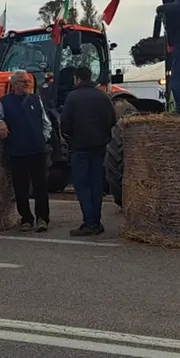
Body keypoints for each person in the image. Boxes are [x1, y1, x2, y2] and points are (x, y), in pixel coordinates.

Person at [61, 65, 117, 236]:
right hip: (99, 147)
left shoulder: (73, 97)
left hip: (80, 148)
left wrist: (70, 140)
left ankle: (89, 223)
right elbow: (113, 120)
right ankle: (96, 222)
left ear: (77, 78)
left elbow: (65, 124)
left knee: (82, 186)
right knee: (96, 184)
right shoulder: (103, 96)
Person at [0, 70, 52, 232]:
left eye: (28, 81)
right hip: (16, 152)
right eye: (22, 81)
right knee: (20, 188)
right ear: (13, 85)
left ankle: (42, 219)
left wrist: (43, 139)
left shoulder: (36, 99)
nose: (27, 84)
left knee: (41, 187)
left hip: (37, 151)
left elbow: (46, 123)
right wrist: (0, 123)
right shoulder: (4, 102)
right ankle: (26, 219)